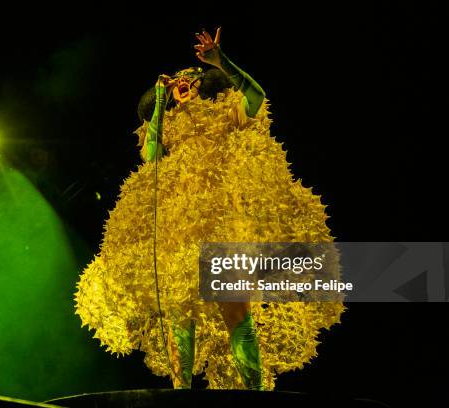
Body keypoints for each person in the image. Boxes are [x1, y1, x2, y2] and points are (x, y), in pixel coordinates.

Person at [75, 27, 343, 391]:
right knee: (179, 309)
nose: (183, 82)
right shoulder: (168, 128)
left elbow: (256, 96)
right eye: (177, 82)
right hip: (177, 223)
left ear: (202, 84)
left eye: (191, 77)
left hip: (222, 221)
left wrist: (222, 61)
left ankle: (253, 390)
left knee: (235, 309)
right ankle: (180, 391)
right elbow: (151, 155)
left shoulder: (226, 113)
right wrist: (157, 101)